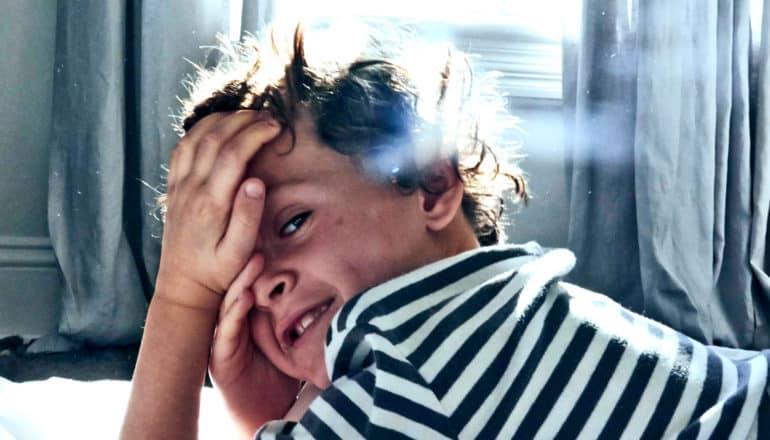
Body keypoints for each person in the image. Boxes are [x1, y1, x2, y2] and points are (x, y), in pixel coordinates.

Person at [121, 22, 770, 439]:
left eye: (293, 222)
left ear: (431, 183)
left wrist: (183, 300)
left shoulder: (401, 380)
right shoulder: (512, 297)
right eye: (236, 272)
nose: (265, 285)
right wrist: (285, 411)